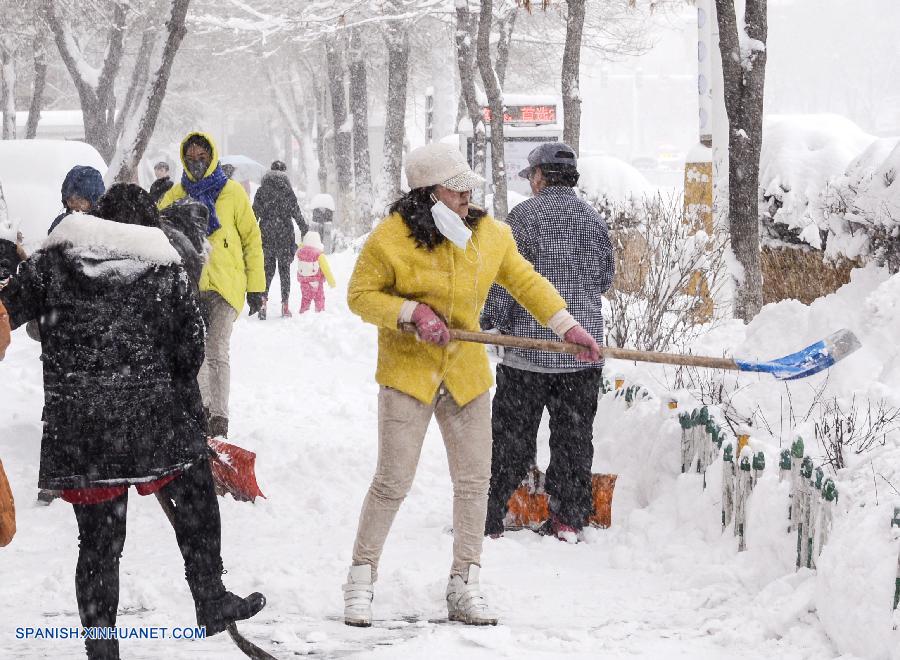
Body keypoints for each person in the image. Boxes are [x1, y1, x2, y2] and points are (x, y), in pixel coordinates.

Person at [0, 184, 265, 660]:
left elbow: (6, 312)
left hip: (81, 433)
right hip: (154, 426)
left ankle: (102, 649)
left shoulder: (51, 265)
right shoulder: (166, 272)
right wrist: (194, 424)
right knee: (196, 504)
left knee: (99, 544)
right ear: (149, 228)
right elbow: (189, 355)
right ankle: (209, 595)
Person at [341, 142, 600, 628]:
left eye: (467, 189)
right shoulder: (390, 238)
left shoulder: (488, 235)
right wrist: (410, 313)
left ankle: (464, 582)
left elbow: (527, 282)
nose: (466, 198)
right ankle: (360, 579)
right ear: (427, 194)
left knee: (475, 482)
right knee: (392, 480)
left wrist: (569, 327)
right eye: (455, 189)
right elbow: (360, 296)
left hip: (464, 374)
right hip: (408, 375)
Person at [481, 142, 615, 543]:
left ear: (539, 176)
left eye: (532, 176)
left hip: (528, 356)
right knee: (573, 441)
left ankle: (492, 515)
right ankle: (569, 520)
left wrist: (491, 320)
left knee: (511, 440)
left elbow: (506, 280)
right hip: (582, 354)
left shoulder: (522, 217)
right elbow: (604, 279)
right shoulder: (593, 220)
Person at [158, 132, 265, 439]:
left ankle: (219, 417)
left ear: (212, 157)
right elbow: (157, 233)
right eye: (190, 158)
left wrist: (256, 285)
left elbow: (251, 240)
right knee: (196, 352)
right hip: (189, 287)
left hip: (225, 285)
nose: (196, 163)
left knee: (217, 348)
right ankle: (201, 410)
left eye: (201, 157)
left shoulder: (232, 193)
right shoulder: (175, 195)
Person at [253, 160, 308, 319]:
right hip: (285, 236)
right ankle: (285, 305)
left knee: (267, 271)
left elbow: (253, 215)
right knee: (284, 272)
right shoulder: (288, 191)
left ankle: (263, 304)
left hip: (267, 235)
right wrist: (304, 229)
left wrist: (247, 233)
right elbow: (297, 214)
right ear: (285, 173)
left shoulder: (262, 191)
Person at [47, 165, 105, 234]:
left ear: (94, 201)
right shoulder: (62, 222)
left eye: (80, 199)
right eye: (69, 199)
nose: (74, 204)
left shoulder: (102, 225)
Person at [296, 231, 334, 313]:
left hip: (304, 282)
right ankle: (320, 313)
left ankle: (303, 313)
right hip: (316, 281)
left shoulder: (300, 252)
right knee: (319, 298)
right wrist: (331, 282)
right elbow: (326, 269)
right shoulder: (319, 254)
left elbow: (300, 245)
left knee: (305, 298)